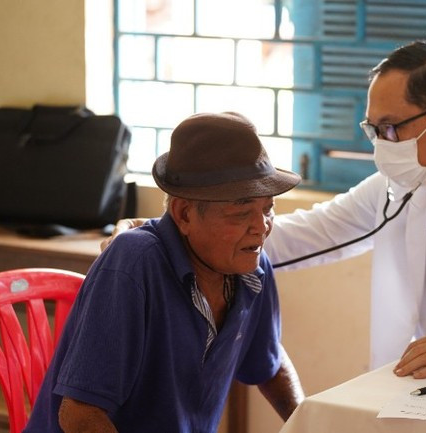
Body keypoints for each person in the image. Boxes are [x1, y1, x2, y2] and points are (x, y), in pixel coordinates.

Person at [106, 39, 426, 382]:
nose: (381, 144)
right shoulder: (401, 184)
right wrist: (166, 234)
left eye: (391, 128)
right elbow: (306, 235)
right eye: (372, 129)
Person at [26, 112, 304, 432]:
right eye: (241, 213)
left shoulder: (252, 270)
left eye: (268, 208)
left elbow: (268, 364)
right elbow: (79, 416)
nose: (261, 227)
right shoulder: (134, 265)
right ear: (184, 214)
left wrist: (309, 423)